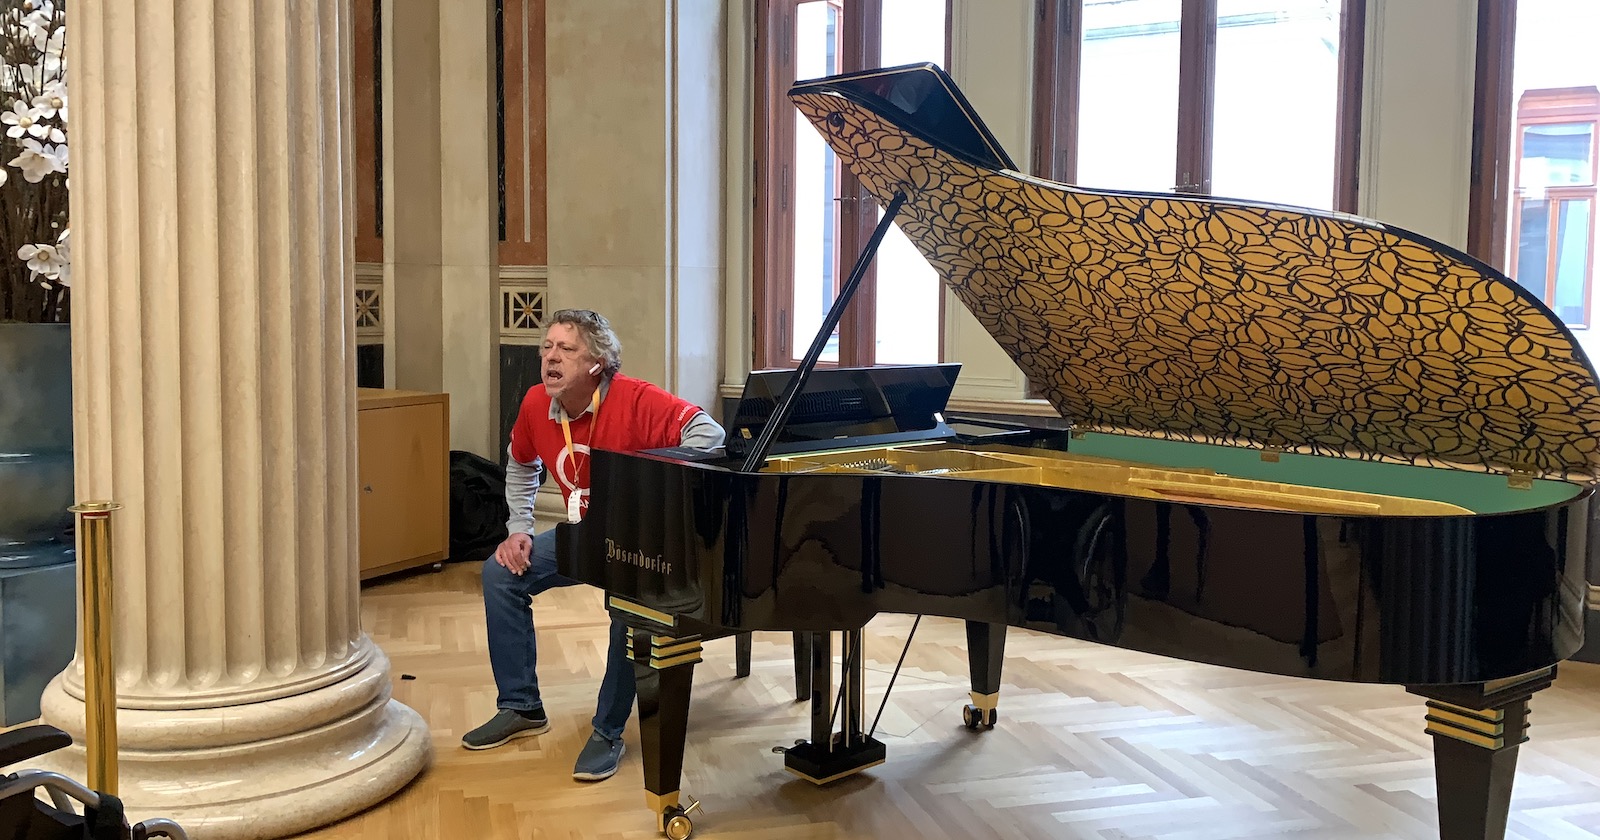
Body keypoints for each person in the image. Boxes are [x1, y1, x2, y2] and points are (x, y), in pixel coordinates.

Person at [461, 308, 725, 782]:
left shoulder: (637, 399)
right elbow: (520, 464)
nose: (551, 358)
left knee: (627, 604)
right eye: (547, 347)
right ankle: (521, 705)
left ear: (596, 365)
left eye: (567, 349)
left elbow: (711, 435)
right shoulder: (535, 403)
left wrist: (653, 486)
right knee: (501, 574)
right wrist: (518, 527)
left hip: (638, 542)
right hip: (585, 535)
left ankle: (607, 732)